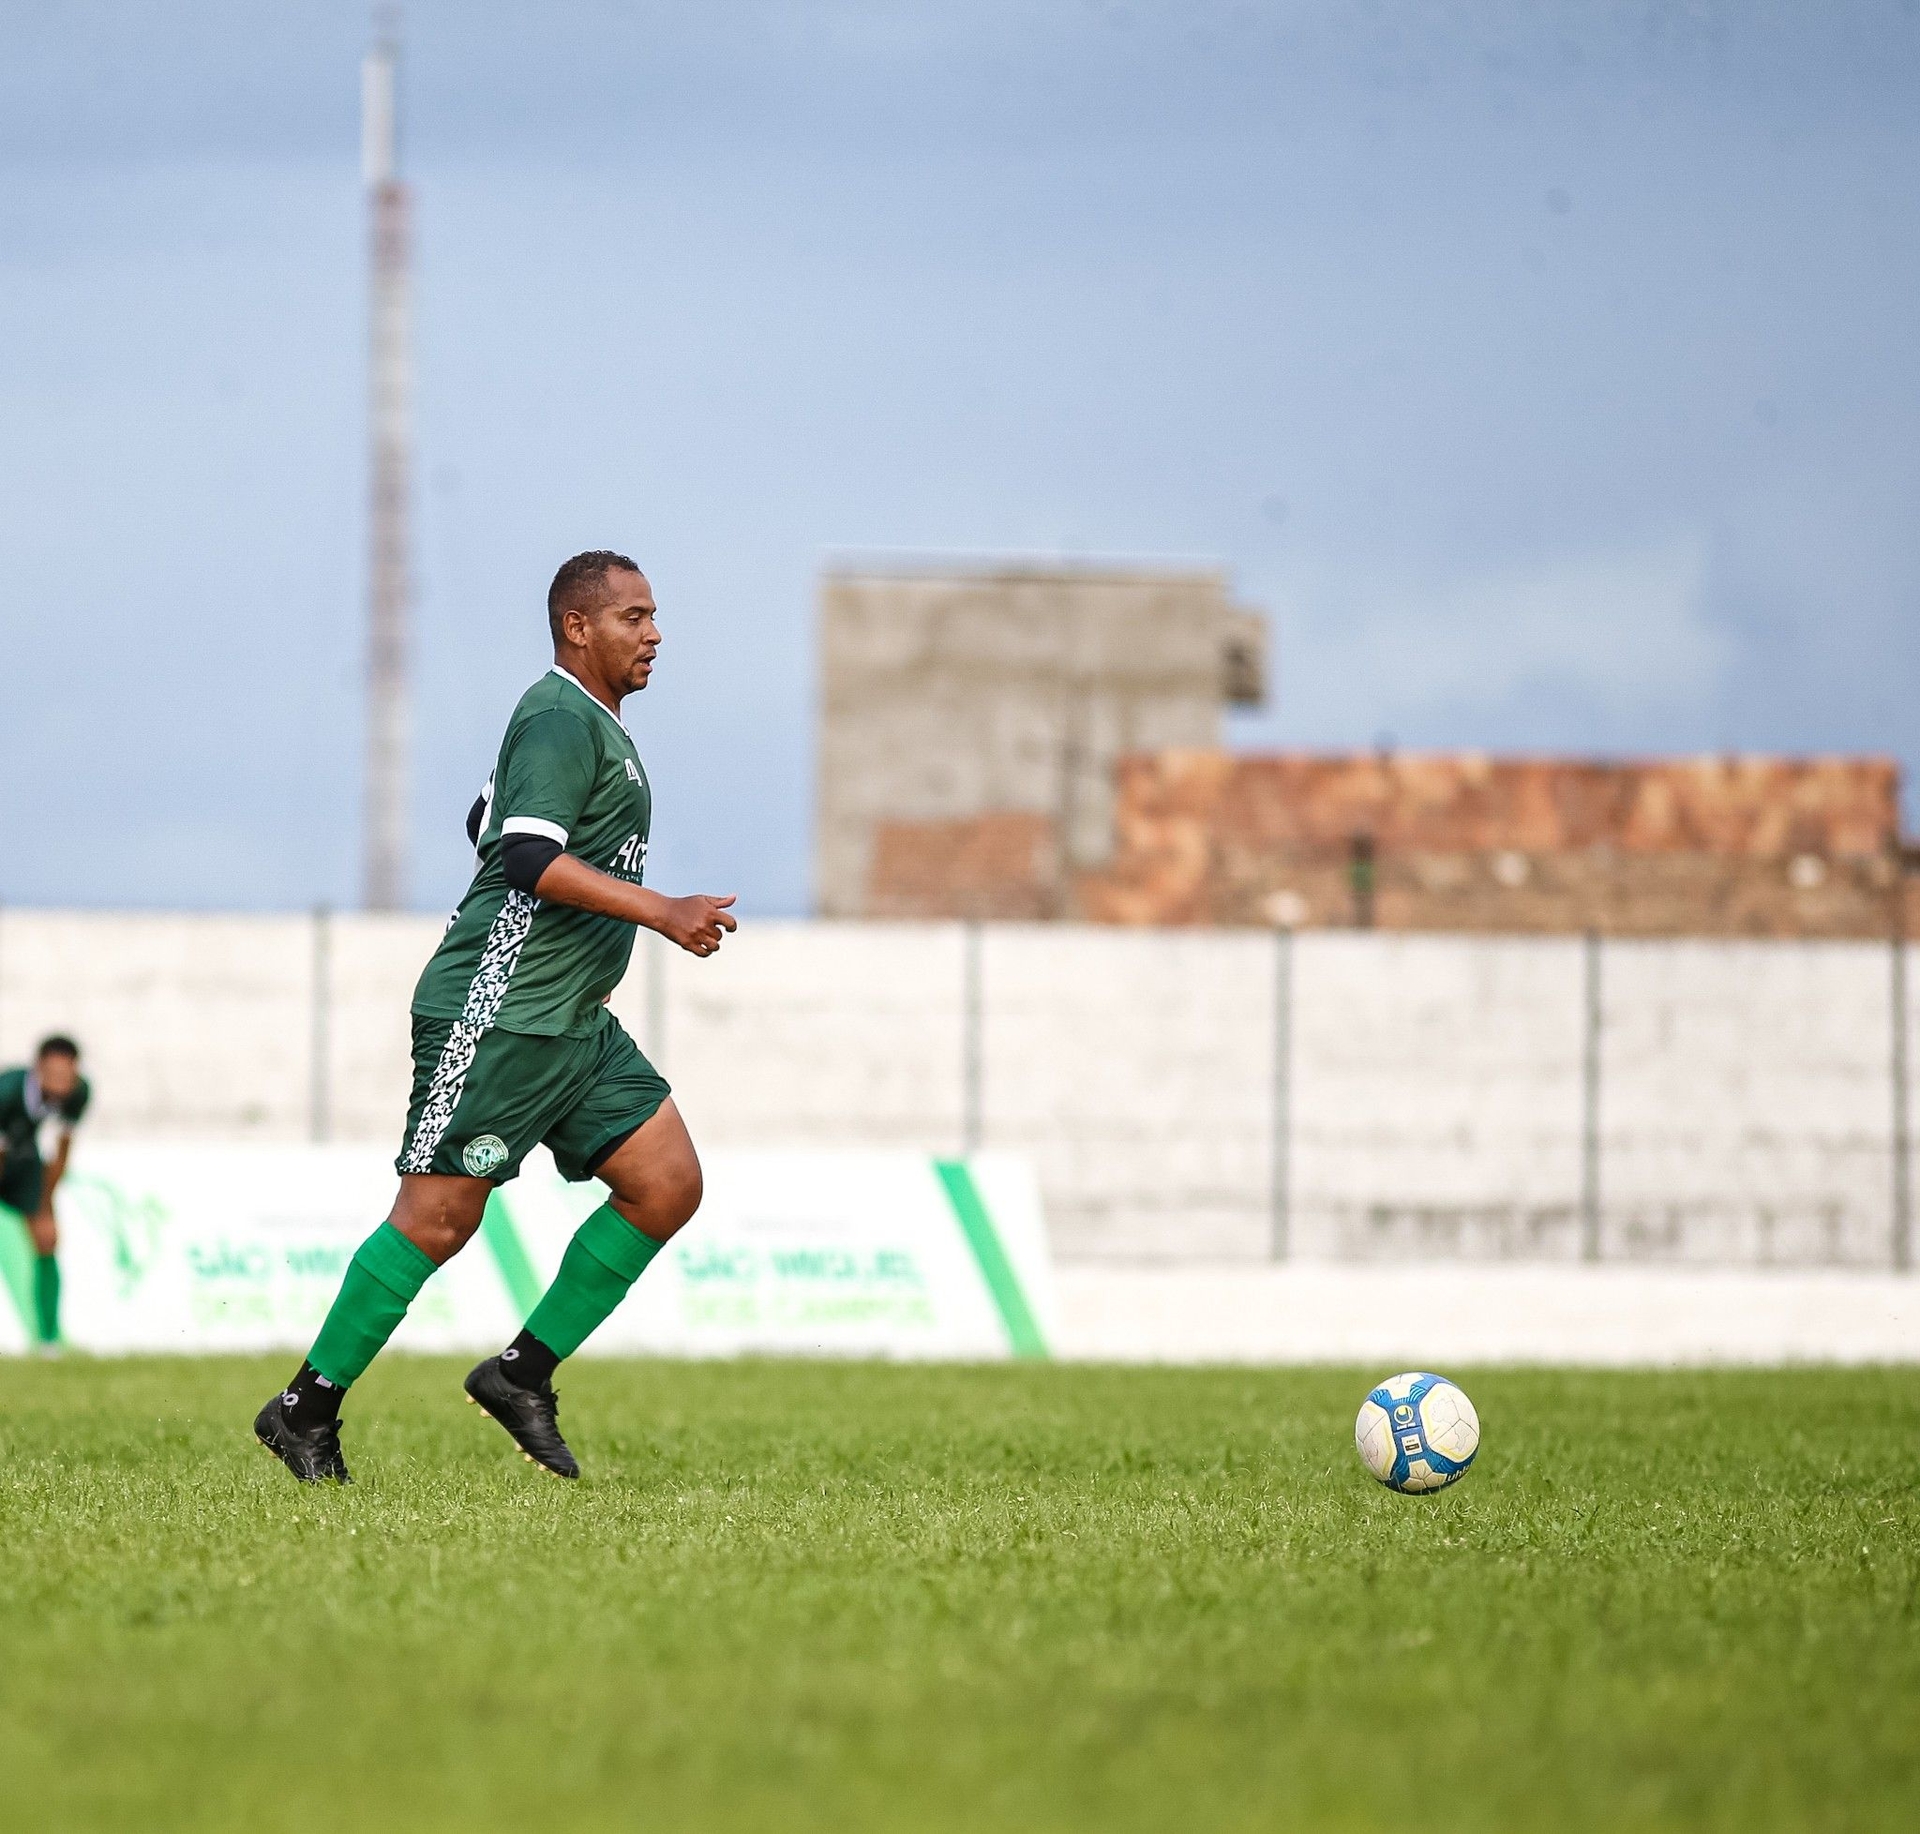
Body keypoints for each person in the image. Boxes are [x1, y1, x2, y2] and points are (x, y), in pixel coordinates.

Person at [255, 551, 736, 1483]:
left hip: (574, 1023)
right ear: (577, 627)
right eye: (634, 616)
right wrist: (663, 910)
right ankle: (304, 1409)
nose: (655, 633)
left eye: (654, 616)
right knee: (437, 1218)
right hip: (500, 1010)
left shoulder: (589, 727)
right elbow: (520, 856)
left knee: (666, 1182)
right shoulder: (560, 713)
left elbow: (485, 816)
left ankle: (522, 1375)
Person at [0, 1036, 91, 1353]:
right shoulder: (7, 1091)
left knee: (47, 1236)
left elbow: (62, 1148)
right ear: (37, 1068)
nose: (60, 1083)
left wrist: (45, 1198)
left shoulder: (78, 1094)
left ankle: (48, 1340)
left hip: (22, 1160)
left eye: (67, 1076)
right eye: (53, 1074)